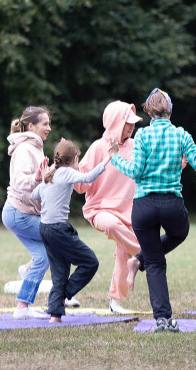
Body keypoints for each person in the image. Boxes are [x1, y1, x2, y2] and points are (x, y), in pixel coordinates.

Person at [111, 88, 196, 332]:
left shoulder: (142, 136)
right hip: (172, 204)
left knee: (155, 263)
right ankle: (140, 261)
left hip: (143, 205)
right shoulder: (181, 135)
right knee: (180, 233)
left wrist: (114, 156)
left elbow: (135, 172)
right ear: (170, 110)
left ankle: (162, 319)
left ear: (149, 111)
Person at [74, 101, 144, 314]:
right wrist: (72, 166)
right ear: (115, 123)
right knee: (113, 226)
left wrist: (180, 163)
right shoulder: (98, 147)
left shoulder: (136, 146)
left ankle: (115, 302)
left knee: (124, 254)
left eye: (133, 123)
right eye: (127, 123)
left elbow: (151, 169)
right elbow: (80, 186)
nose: (132, 127)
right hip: (100, 209)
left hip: (130, 212)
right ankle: (145, 255)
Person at [31, 139, 111, 322]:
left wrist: (44, 175)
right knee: (90, 262)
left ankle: (55, 316)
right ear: (74, 158)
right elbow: (88, 177)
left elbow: (35, 195)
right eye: (78, 159)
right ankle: (62, 295)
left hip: (45, 229)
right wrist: (109, 157)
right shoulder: (65, 172)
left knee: (60, 270)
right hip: (58, 229)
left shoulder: (51, 174)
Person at [1, 106, 53, 319]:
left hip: (20, 212)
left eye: (49, 124)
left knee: (44, 255)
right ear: (31, 126)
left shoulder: (35, 146)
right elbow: (20, 181)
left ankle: (23, 302)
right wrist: (38, 178)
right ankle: (61, 296)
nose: (49, 128)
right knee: (56, 237)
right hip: (18, 213)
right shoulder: (25, 149)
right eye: (45, 124)